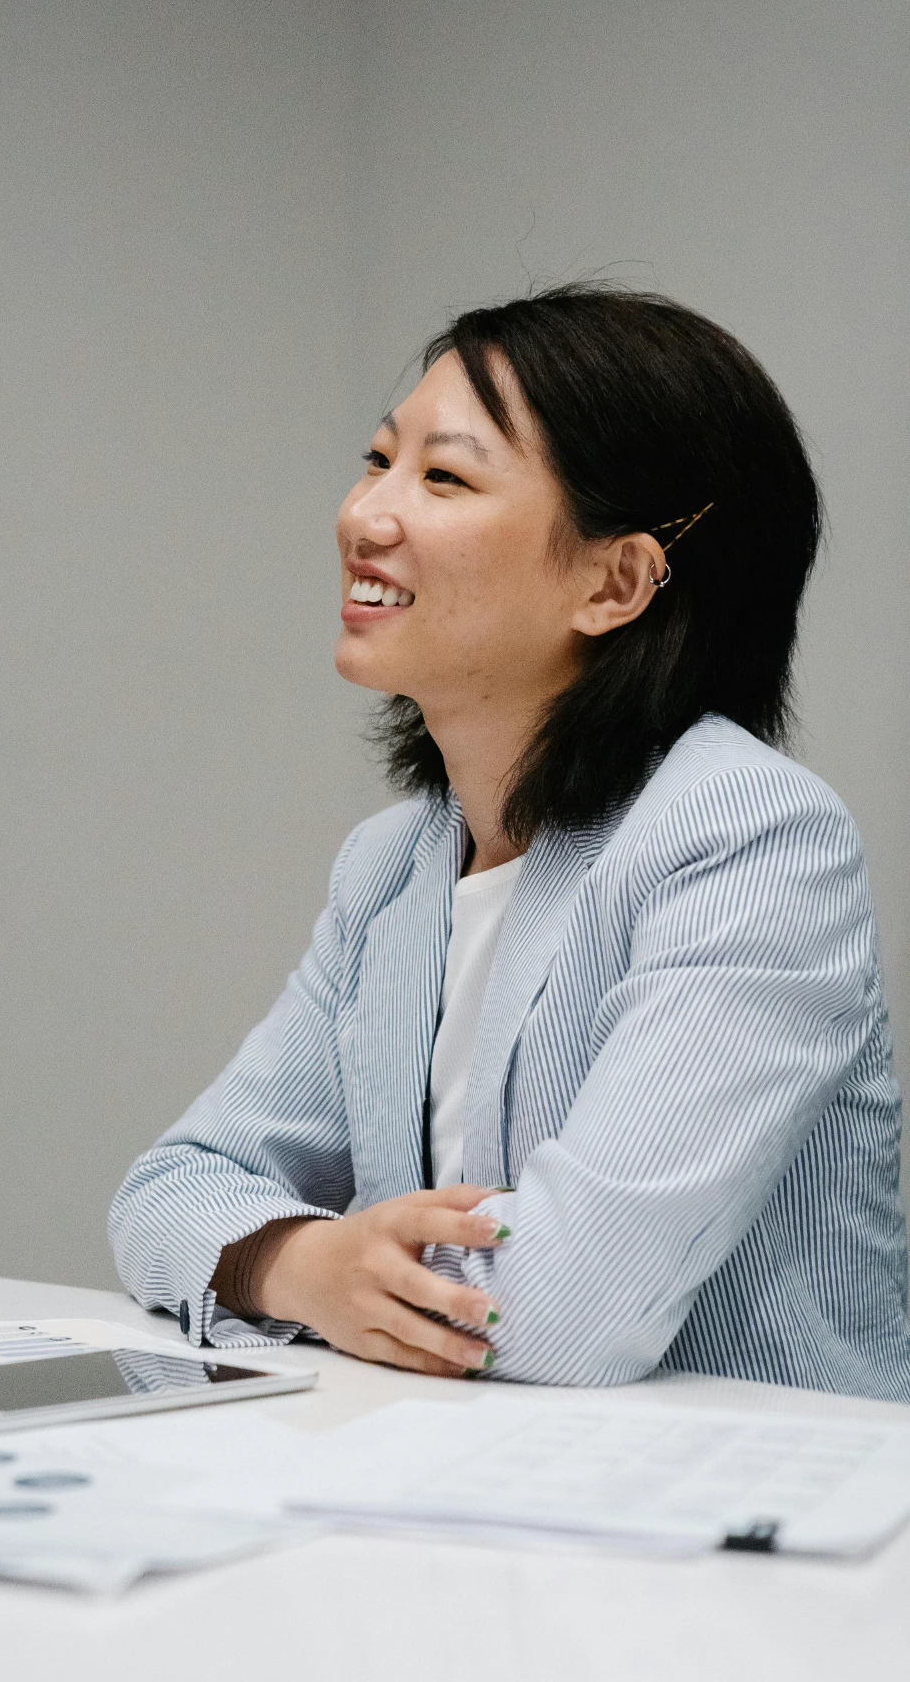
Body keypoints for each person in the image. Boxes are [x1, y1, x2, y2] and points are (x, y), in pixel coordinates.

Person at [108, 285, 910, 1400]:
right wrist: (309, 1259)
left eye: (441, 477)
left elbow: (564, 1306)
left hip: (738, 1526)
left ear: (615, 579)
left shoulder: (746, 834)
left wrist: (306, 1260)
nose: (363, 514)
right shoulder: (392, 860)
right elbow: (167, 1189)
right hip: (472, 1495)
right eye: (377, 459)